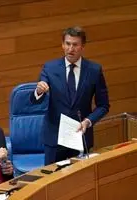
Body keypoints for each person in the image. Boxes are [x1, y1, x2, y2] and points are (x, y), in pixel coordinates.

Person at [31, 26, 110, 165]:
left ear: (82, 46)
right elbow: (35, 101)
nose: (70, 48)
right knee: (51, 182)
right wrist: (39, 91)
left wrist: (88, 121)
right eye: (67, 44)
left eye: (75, 45)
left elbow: (103, 106)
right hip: (54, 138)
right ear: (62, 45)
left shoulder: (94, 70)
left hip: (80, 136)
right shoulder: (49, 68)